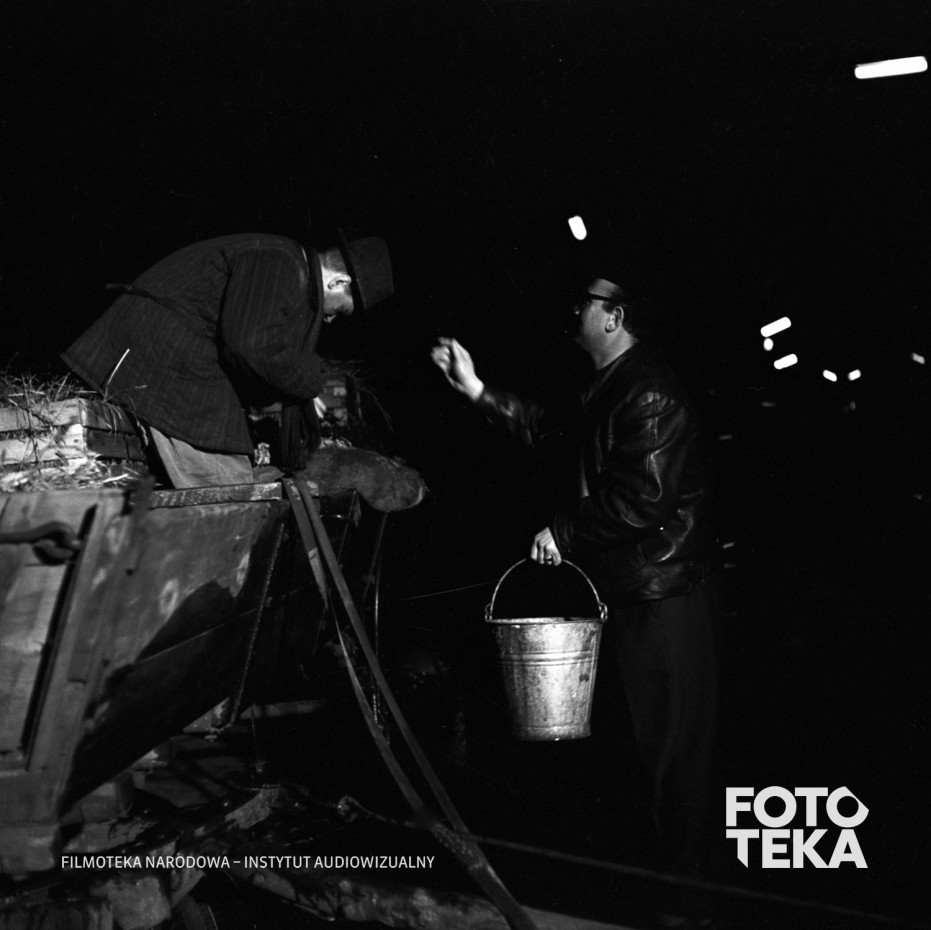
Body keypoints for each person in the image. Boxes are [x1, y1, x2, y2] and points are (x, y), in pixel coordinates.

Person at [431, 276, 718, 924]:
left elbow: (643, 500)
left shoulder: (649, 392)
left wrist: (562, 532)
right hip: (630, 592)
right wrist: (476, 390)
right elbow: (548, 428)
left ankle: (687, 904)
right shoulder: (606, 386)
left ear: (614, 316)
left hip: (663, 598)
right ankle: (650, 894)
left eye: (586, 301)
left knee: (671, 758)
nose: (574, 309)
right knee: (637, 754)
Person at [63, 232, 393, 487]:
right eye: (340, 310)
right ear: (339, 281)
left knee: (235, 459)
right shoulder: (280, 261)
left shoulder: (286, 261)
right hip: (161, 352)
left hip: (168, 349)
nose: (330, 319)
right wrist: (310, 379)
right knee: (227, 483)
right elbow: (253, 346)